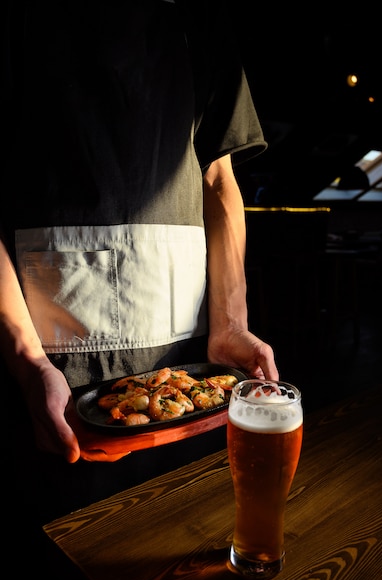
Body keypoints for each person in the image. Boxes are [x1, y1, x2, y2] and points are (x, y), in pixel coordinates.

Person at [0, 0, 278, 530]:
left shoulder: (201, 16)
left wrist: (233, 323)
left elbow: (218, 178)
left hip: (191, 367)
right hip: (49, 378)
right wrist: (26, 361)